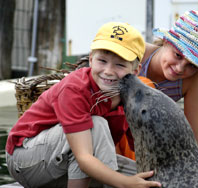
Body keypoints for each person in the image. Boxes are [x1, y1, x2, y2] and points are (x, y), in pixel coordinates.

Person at [5, 22, 161, 188]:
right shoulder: (75, 89)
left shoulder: (132, 98)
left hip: (63, 164)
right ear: (91, 59)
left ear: (135, 71)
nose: (108, 70)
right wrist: (124, 183)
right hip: (25, 160)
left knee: (153, 179)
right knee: (97, 124)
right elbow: (84, 157)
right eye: (102, 61)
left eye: (120, 64)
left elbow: (142, 148)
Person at [139, 10, 198, 155]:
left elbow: (194, 138)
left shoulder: (195, 78)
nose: (179, 68)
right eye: (177, 55)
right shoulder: (137, 53)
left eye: (192, 65)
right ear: (166, 41)